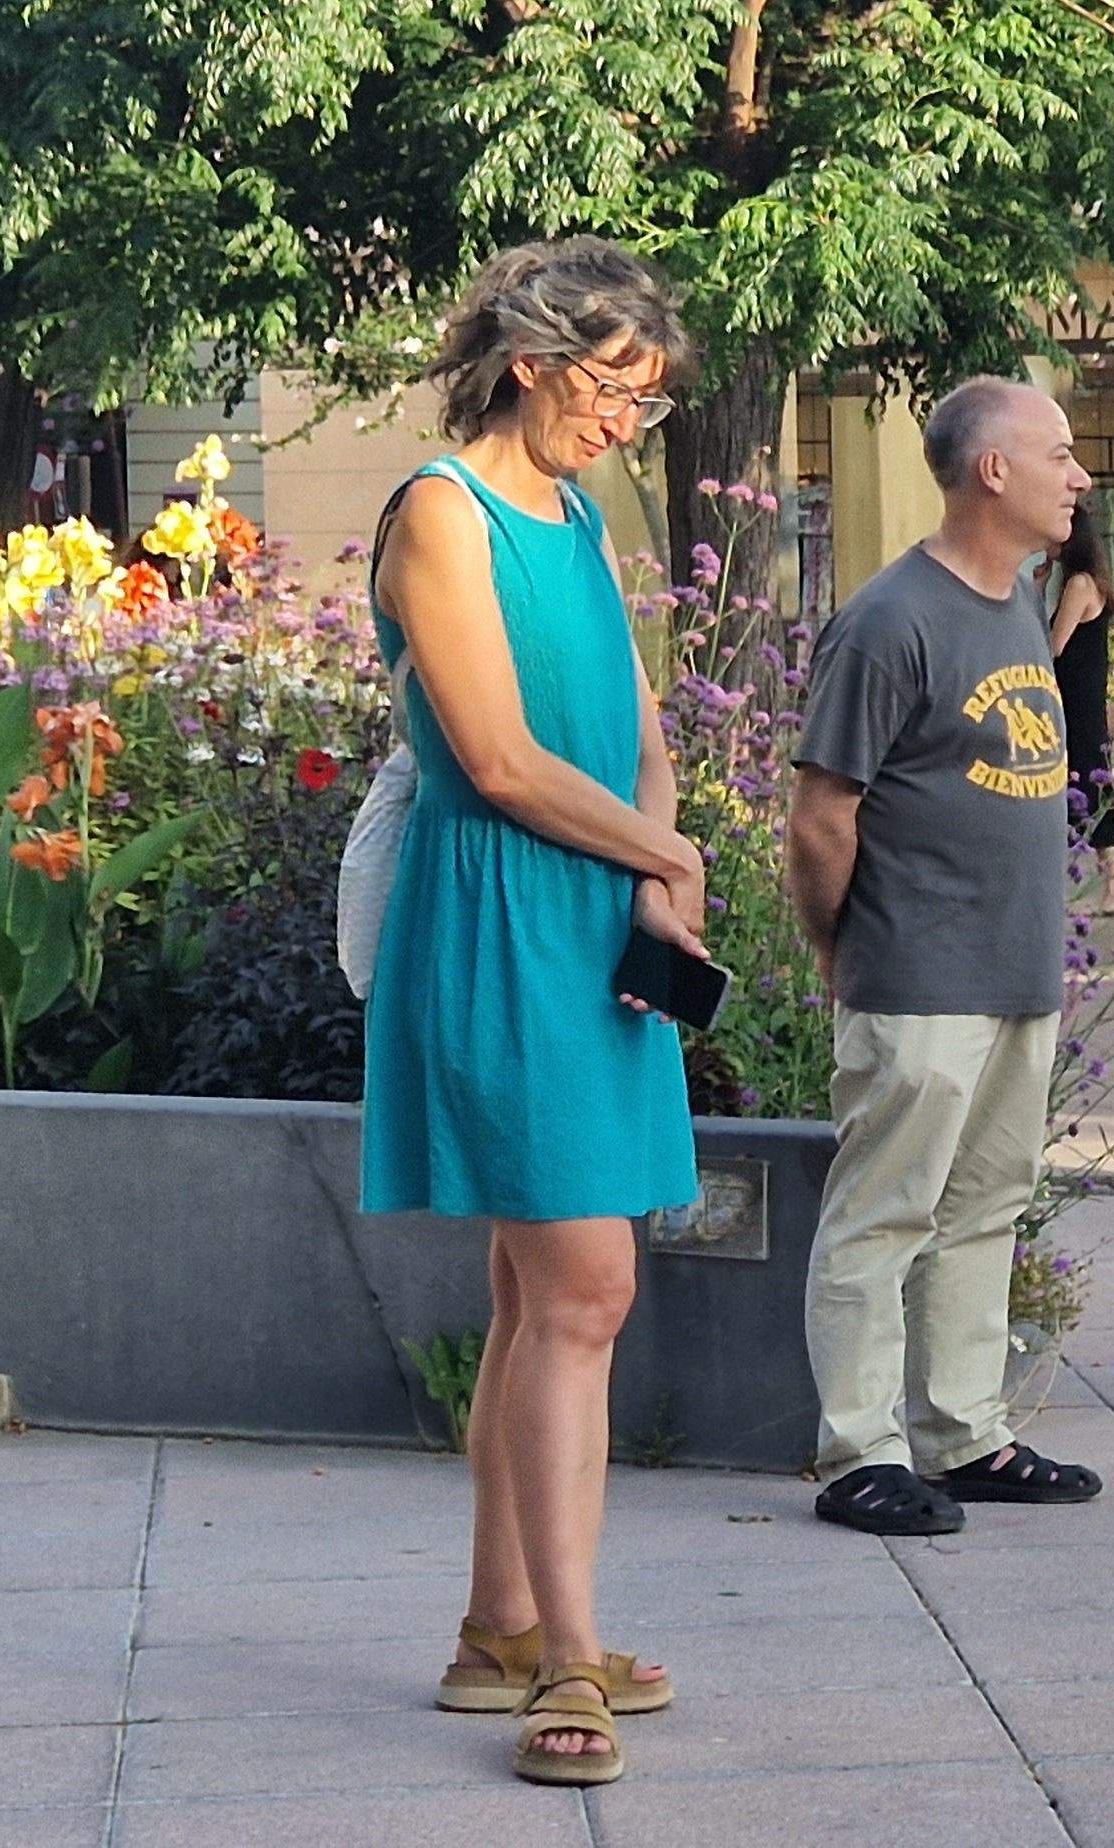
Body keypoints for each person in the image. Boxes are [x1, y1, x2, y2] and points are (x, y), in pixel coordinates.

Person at [366, 237, 702, 1787]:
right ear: (530, 360)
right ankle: (565, 1658)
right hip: (501, 918)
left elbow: (635, 726)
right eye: (612, 384)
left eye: (646, 394)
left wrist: (655, 862)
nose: (628, 417)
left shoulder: (570, 512)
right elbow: (493, 760)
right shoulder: (444, 511)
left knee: (531, 1296)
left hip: (592, 921)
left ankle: (498, 1627)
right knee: (583, 1295)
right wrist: (665, 855)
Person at [784, 378, 1112, 1540]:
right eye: (1061, 455)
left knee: (984, 1209)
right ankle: (857, 1454)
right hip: (918, 974)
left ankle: (962, 1433)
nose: (1079, 475)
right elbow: (823, 812)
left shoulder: (1019, 604)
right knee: (883, 1215)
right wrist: (845, 946)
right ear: (992, 471)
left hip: (1017, 974)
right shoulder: (889, 620)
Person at [1051, 517, 1114, 917]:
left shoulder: (1078, 585)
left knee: (1085, 785)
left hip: (1074, 704)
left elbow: (1055, 645)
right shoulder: (1093, 584)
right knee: (1092, 787)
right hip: (1085, 702)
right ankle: (1113, 887)